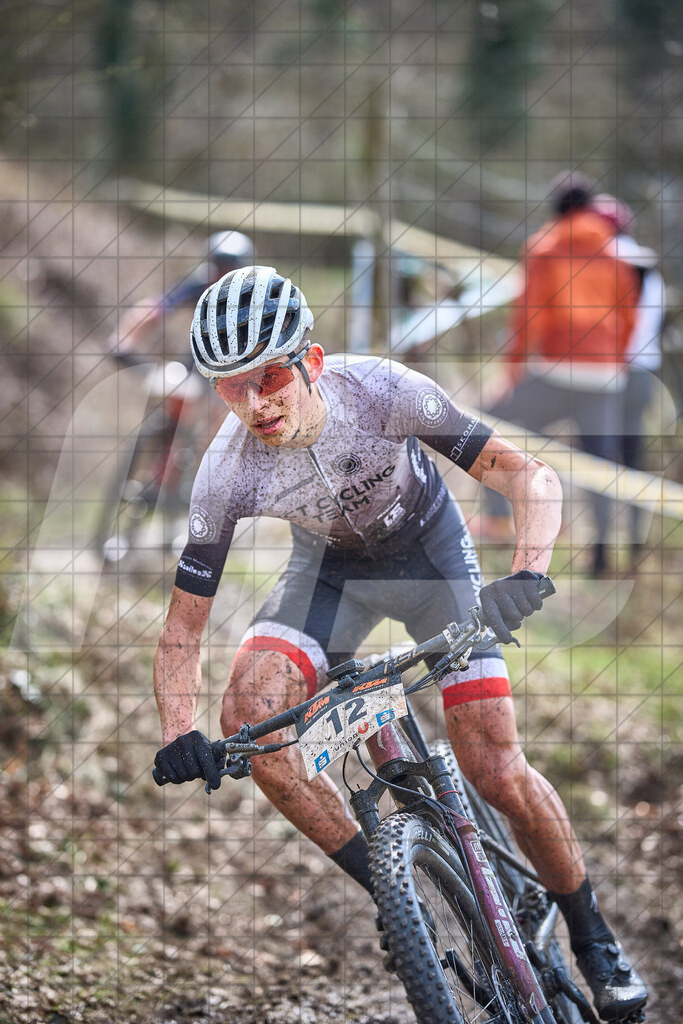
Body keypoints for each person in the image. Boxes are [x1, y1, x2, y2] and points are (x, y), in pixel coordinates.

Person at [152, 265, 647, 1022]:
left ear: (310, 361)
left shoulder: (382, 390)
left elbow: (526, 476)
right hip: (327, 575)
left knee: (492, 764)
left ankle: (592, 935)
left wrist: (526, 576)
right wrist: (174, 732)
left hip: (429, 556)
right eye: (229, 387)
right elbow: (183, 628)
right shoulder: (226, 470)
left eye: (272, 375)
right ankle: (398, 897)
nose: (255, 404)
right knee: (245, 714)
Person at [479, 173, 641, 577]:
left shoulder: (544, 248)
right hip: (605, 375)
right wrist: (612, 359)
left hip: (555, 369)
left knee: (493, 420)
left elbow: (526, 316)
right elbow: (630, 316)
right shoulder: (615, 252)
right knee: (600, 465)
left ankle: (501, 520)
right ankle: (601, 555)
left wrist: (511, 373)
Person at [589, 193, 666, 567]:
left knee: (597, 463)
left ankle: (600, 552)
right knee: (634, 461)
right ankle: (636, 545)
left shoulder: (601, 262)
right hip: (643, 374)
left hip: (606, 374)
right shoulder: (649, 265)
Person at [109, 229, 254, 362]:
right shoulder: (201, 282)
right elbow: (155, 308)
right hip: (203, 355)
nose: (224, 272)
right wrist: (124, 339)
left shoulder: (254, 291)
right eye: (220, 264)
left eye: (231, 266)